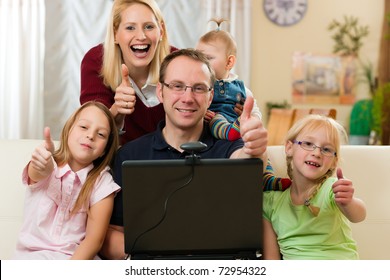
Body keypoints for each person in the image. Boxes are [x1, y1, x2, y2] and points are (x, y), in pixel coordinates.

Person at [100, 48, 268, 259]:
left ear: (210, 96)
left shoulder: (229, 148)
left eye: (198, 88)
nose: (187, 98)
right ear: (161, 92)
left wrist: (256, 149)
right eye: (177, 86)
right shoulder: (129, 156)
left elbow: (246, 160)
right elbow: (110, 234)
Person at [13, 101, 120, 260]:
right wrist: (43, 165)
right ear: (69, 129)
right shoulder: (47, 163)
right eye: (84, 127)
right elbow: (35, 172)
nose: (90, 135)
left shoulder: (102, 182)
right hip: (32, 258)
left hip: (76, 259)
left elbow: (93, 241)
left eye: (101, 134)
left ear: (104, 150)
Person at [196, 18, 290, 191]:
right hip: (215, 130)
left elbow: (255, 112)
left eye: (208, 58)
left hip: (238, 134)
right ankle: (230, 129)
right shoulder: (199, 86)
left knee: (261, 151)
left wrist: (248, 120)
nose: (202, 63)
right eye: (199, 57)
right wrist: (202, 115)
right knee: (218, 119)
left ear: (229, 62)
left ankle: (268, 179)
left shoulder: (242, 89)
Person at [263, 114, 367, 260]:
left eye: (326, 149)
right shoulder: (271, 201)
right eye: (308, 144)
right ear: (289, 147)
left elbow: (359, 216)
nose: (317, 153)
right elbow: (271, 260)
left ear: (334, 161)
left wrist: (349, 202)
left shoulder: (332, 188)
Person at [80, 0, 177, 145]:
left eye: (149, 27)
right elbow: (91, 131)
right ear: (115, 34)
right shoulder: (96, 61)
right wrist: (115, 112)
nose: (141, 36)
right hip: (119, 158)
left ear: (161, 31)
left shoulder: (178, 62)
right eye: (130, 27)